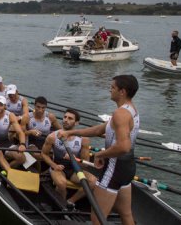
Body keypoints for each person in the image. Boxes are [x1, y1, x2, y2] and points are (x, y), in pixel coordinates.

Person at [58, 75, 140, 225]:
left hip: (113, 169)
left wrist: (99, 154)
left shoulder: (120, 114)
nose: (110, 89)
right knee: (126, 214)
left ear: (122, 91)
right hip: (128, 168)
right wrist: (71, 132)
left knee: (97, 219)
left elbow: (123, 146)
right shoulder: (131, 110)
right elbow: (98, 130)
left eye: (113, 87)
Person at [42, 109, 96, 209]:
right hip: (57, 166)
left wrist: (74, 159)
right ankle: (61, 206)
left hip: (73, 168)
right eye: (65, 117)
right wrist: (54, 165)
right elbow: (44, 154)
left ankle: (71, 201)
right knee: (61, 184)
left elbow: (85, 164)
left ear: (76, 123)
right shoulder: (52, 137)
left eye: (70, 118)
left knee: (93, 181)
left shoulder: (83, 139)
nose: (66, 120)